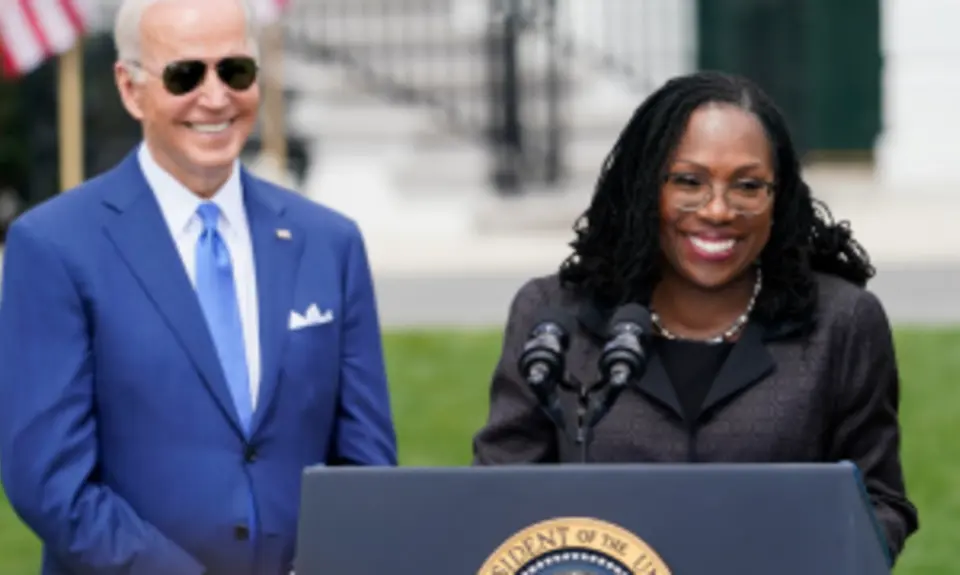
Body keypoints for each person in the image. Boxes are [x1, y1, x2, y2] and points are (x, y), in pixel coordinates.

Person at [0, 0, 397, 573]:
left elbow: (368, 466)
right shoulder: (55, 247)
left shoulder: (329, 243)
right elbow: (49, 481)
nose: (215, 98)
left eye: (235, 70)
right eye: (186, 74)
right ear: (131, 88)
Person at [472, 71, 918, 560]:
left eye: (748, 185)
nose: (718, 209)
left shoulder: (842, 323)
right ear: (644, 186)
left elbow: (880, 503)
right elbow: (497, 498)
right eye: (689, 181)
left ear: (779, 198)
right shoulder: (553, 317)